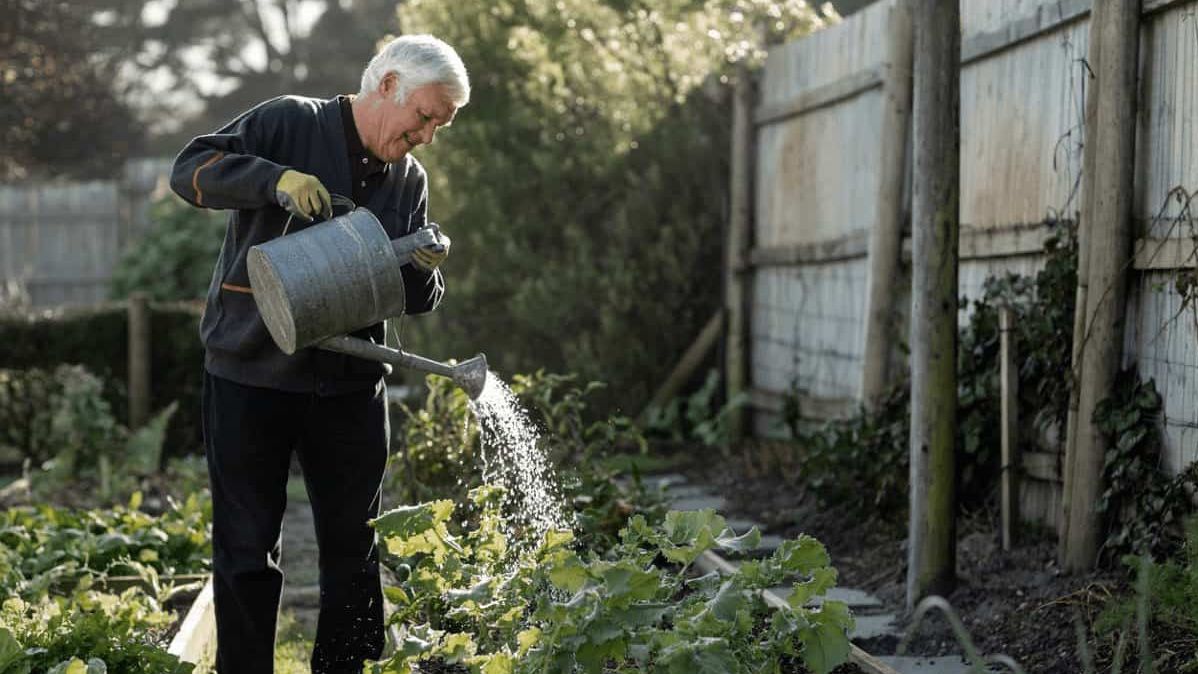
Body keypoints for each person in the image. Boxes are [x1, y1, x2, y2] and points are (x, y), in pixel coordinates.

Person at [169, 35, 469, 674]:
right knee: (247, 549)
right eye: (425, 117)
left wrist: (424, 266)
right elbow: (189, 170)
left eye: (440, 126)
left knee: (356, 547)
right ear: (388, 84)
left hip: (349, 385)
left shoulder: (408, 180)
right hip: (249, 371)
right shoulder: (288, 123)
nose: (427, 137)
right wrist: (273, 179)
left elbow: (415, 298)